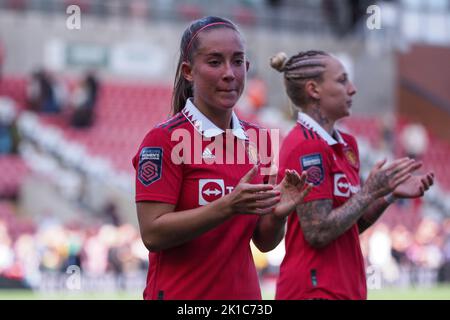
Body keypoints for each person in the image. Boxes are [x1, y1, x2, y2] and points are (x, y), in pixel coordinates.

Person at [132, 16, 312, 300]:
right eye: (215, 62)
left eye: (238, 61)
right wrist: (227, 206)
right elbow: (153, 234)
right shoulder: (164, 140)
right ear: (188, 71)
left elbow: (265, 243)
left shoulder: (260, 139)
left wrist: (278, 216)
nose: (229, 73)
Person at [270, 50, 435, 300]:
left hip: (344, 288)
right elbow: (318, 232)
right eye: (342, 80)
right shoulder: (306, 145)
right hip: (313, 290)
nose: (353, 88)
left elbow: (348, 226)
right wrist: (369, 191)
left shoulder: (347, 144)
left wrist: (386, 196)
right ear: (314, 90)